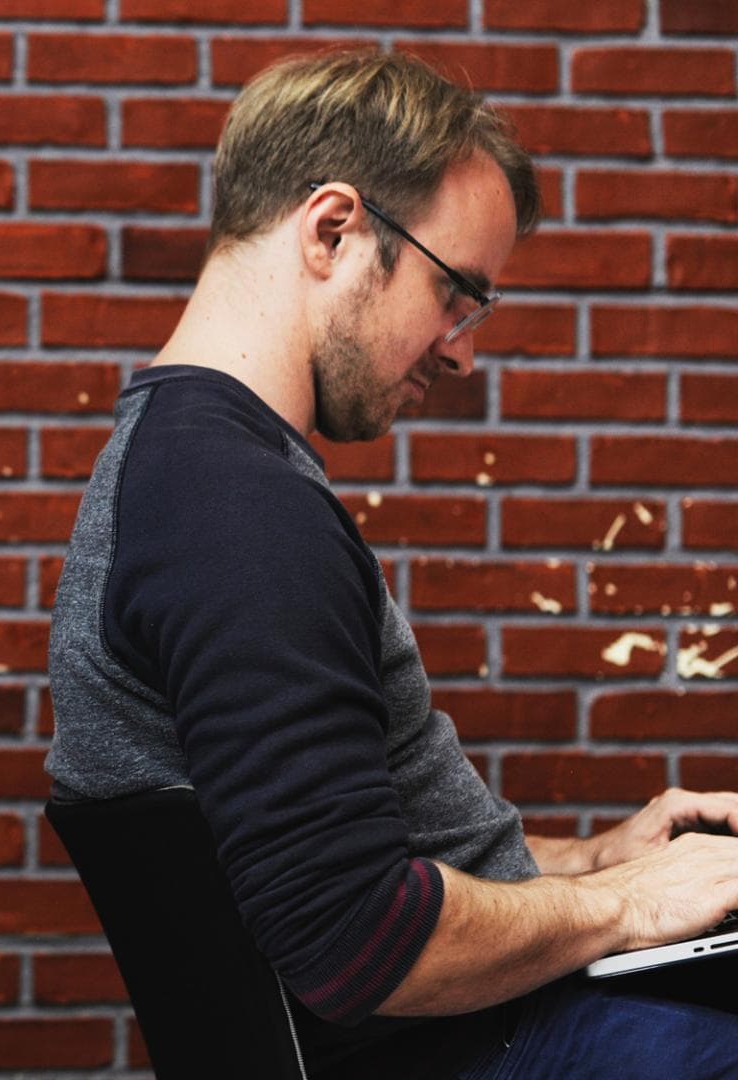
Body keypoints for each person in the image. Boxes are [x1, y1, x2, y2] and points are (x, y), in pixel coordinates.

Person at [46, 48, 738, 1079]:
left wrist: (596, 860)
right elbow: (357, 936)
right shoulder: (237, 515)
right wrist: (632, 904)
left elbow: (336, 851)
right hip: (470, 1048)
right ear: (333, 230)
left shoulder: (192, 470)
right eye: (455, 293)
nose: (462, 351)